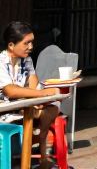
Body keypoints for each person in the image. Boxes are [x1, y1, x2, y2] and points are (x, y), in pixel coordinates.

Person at [0, 22, 63, 169]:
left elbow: (32, 77)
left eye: (31, 42)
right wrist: (40, 94)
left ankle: (42, 157)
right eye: (26, 43)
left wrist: (36, 98)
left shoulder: (25, 59)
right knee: (38, 113)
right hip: (4, 112)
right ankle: (38, 158)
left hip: (21, 107)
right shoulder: (1, 62)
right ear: (11, 45)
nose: (31, 47)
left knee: (53, 108)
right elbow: (10, 91)